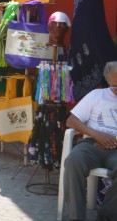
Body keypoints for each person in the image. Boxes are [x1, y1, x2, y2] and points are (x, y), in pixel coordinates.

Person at [63, 61, 117, 221]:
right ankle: (76, 217)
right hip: (91, 144)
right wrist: (96, 134)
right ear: (108, 82)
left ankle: (106, 215)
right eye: (115, 85)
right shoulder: (96, 95)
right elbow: (71, 121)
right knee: (73, 160)